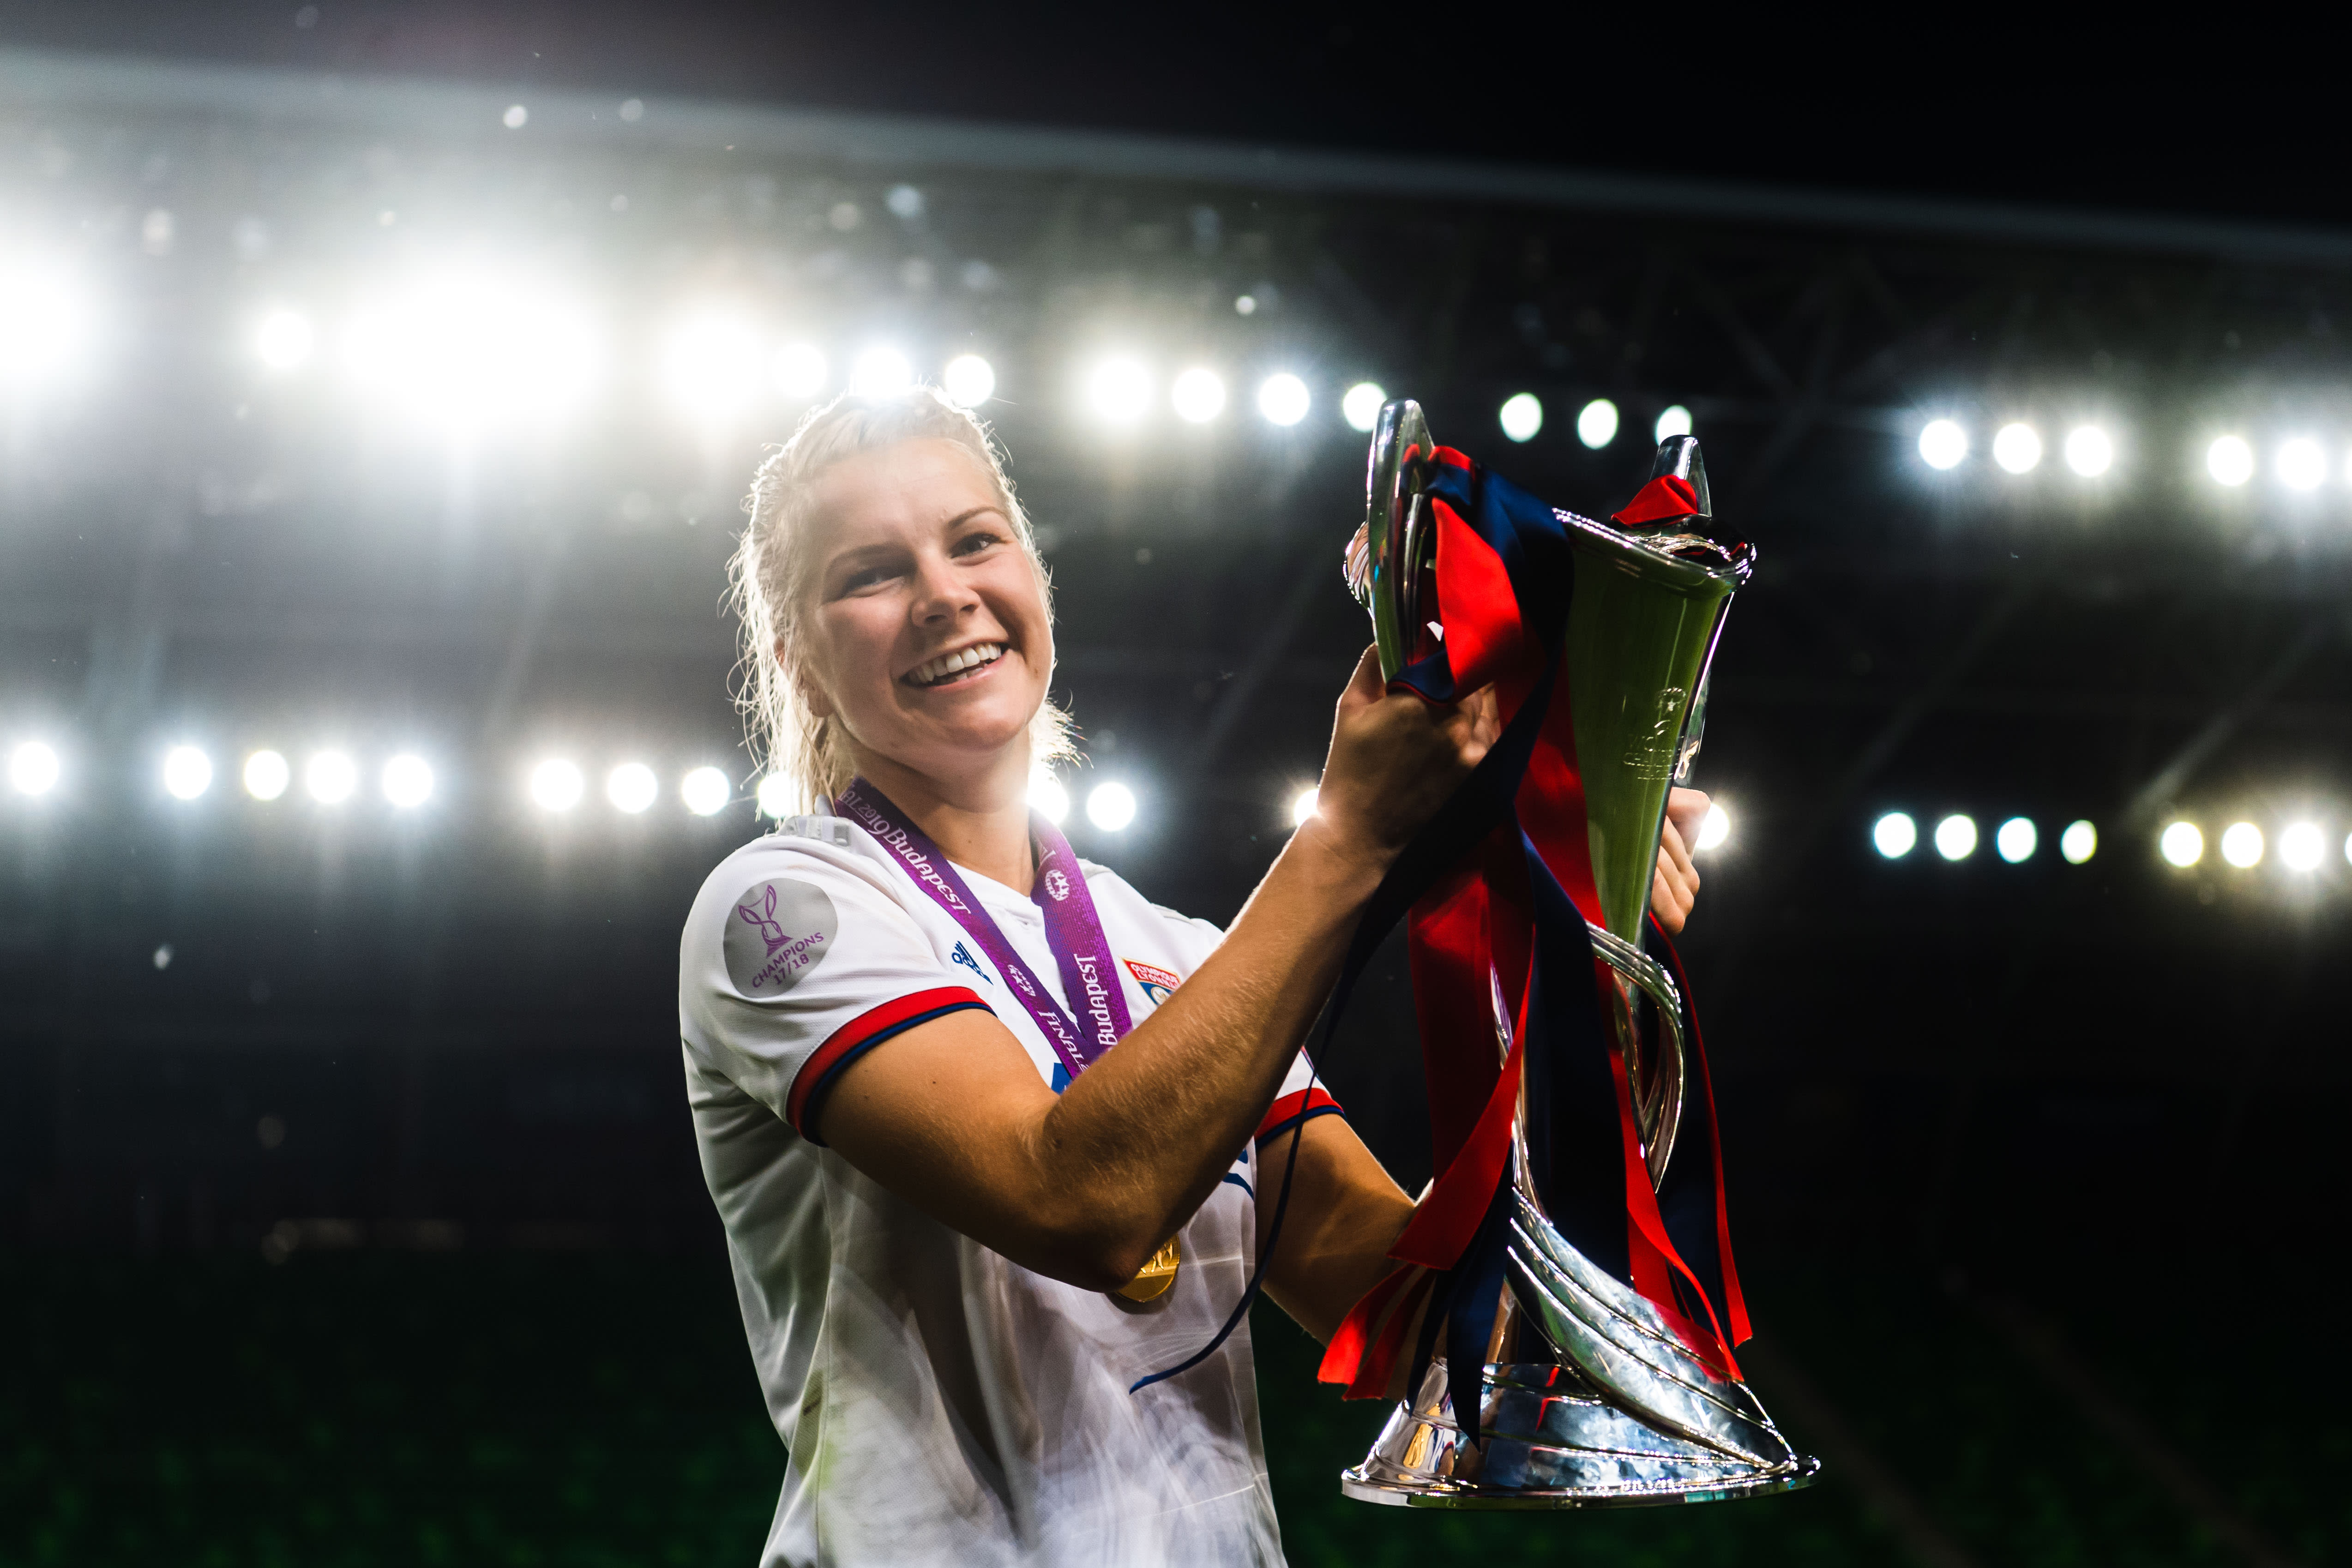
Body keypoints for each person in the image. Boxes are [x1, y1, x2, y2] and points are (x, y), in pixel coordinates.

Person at [679, 386, 1712, 1567]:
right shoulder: (782, 909)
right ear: (796, 658)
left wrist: (1584, 958)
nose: (943, 594)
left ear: (1035, 579)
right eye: (870, 573)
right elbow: (1080, 1204)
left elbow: (1419, 1323)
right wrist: (1346, 839)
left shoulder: (1179, 952)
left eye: (974, 541)